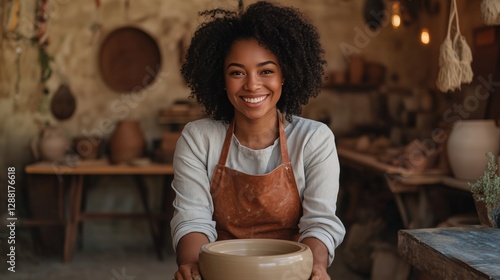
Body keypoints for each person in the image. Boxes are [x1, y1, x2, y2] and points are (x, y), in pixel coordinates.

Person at [170, 1, 345, 279]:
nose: (252, 85)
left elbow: (319, 223)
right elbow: (192, 218)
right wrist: (192, 264)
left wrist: (315, 267)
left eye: (266, 71)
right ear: (221, 79)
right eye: (237, 72)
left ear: (285, 75)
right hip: (219, 271)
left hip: (290, 272)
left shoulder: (314, 139)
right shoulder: (198, 138)